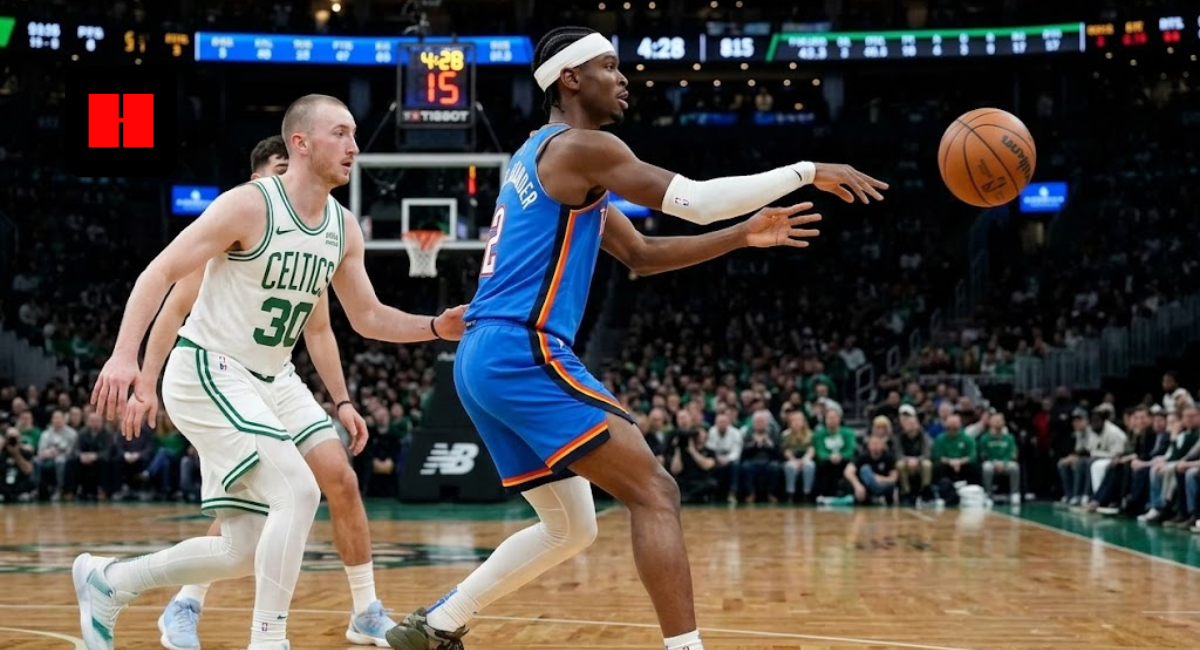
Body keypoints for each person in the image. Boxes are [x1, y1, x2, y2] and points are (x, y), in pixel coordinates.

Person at [385, 27, 886, 650]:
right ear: (570, 79)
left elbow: (642, 254)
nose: (624, 79)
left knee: (570, 528)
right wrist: (807, 170)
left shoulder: (539, 155)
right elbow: (696, 202)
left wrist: (741, 236)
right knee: (655, 491)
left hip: (483, 357)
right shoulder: (582, 147)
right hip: (522, 348)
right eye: (609, 67)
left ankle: (436, 625)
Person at [76, 94, 466, 650]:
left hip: (272, 377)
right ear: (300, 144)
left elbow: (369, 317)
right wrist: (126, 357)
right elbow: (160, 273)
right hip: (209, 366)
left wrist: (434, 327)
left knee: (240, 548)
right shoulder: (248, 206)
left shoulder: (343, 227)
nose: (355, 146)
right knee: (299, 492)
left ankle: (108, 582)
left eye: (355, 134)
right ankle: (269, 640)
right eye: (341, 133)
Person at [131, 136, 402, 650]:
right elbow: (172, 310)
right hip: (221, 370)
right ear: (260, 179)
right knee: (255, 501)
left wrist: (342, 401)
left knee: (340, 478)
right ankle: (187, 602)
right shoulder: (235, 227)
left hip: (277, 377)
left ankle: (366, 609)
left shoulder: (318, 234)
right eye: (279, 171)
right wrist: (145, 379)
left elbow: (320, 331)